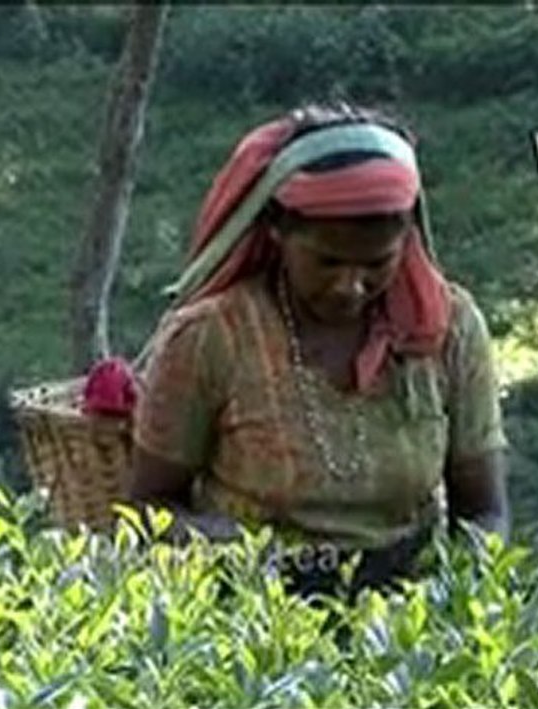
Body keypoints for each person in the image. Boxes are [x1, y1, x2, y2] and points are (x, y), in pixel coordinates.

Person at [127, 103, 510, 602]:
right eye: (326, 261)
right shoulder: (211, 337)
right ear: (278, 233)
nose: (350, 286)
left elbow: (484, 509)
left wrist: (464, 595)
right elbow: (148, 507)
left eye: (376, 263)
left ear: (408, 239)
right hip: (250, 621)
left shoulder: (450, 329)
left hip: (405, 616)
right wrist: (226, 547)